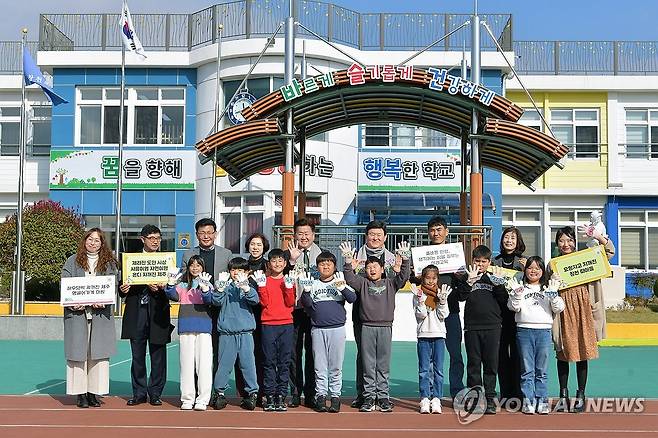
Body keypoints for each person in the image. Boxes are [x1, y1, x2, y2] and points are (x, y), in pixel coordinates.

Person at [341, 240, 411, 413]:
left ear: (382, 269)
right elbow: (349, 277)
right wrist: (348, 261)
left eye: (375, 266)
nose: (372, 269)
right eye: (369, 267)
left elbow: (403, 277)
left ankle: (383, 397)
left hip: (385, 327)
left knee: (383, 364)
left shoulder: (390, 283)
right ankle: (369, 397)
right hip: (366, 327)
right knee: (368, 363)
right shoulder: (362, 283)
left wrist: (406, 259)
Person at [551, 226, 614, 413]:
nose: (566, 244)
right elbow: (543, 282)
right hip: (563, 311)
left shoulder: (587, 258)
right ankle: (563, 394)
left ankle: (581, 394)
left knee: (582, 352)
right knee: (562, 352)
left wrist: (597, 236)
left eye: (569, 240)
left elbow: (609, 251)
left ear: (575, 242)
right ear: (557, 243)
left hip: (584, 310)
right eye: (562, 240)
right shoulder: (553, 264)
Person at [61, 228, 118, 408]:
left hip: (100, 315)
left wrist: (105, 300)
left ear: (102, 244)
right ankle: (80, 394)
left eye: (97, 240)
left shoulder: (109, 263)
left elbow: (113, 285)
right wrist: (72, 303)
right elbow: (65, 286)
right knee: (78, 354)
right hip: (78, 314)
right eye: (90, 239)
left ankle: (94, 392)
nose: (93, 243)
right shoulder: (72, 261)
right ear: (84, 241)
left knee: (99, 355)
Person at [409, 216, 465, 399]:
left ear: (446, 232)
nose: (436, 233)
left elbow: (464, 285)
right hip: (429, 313)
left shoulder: (454, 253)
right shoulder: (422, 255)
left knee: (455, 354)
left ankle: (456, 390)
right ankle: (431, 393)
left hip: (451, 310)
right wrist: (414, 275)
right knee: (430, 358)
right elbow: (413, 280)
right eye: (433, 230)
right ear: (428, 233)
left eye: (439, 229)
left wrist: (460, 276)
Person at [119, 224, 173, 407]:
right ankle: (139, 393)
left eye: (158, 238)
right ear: (143, 240)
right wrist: (123, 289)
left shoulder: (167, 260)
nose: (156, 241)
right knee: (137, 356)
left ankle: (156, 392)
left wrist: (162, 288)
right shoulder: (131, 260)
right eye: (151, 238)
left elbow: (173, 289)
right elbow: (122, 287)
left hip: (158, 312)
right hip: (137, 313)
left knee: (158, 356)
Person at [299, 251, 357, 413]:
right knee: (320, 366)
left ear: (334, 266)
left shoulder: (339, 281)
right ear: (317, 267)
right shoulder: (314, 283)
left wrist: (343, 287)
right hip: (318, 329)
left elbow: (352, 299)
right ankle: (321, 397)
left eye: (329, 263)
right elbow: (307, 305)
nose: (325, 266)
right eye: (322, 263)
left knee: (336, 366)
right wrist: (306, 291)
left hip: (337, 329)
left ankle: (336, 397)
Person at [507, 256, 565, 415]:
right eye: (530, 268)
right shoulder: (520, 287)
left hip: (544, 332)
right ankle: (528, 401)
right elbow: (513, 307)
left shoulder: (548, 288)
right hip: (524, 331)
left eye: (537, 268)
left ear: (542, 272)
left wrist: (553, 296)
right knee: (527, 369)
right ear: (525, 271)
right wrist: (516, 294)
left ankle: (542, 401)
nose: (533, 271)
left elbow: (559, 308)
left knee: (542, 370)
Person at [349, 220, 397, 409]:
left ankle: (381, 395)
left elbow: (397, 281)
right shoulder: (355, 256)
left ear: (385, 237)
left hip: (381, 314)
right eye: (371, 234)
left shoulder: (392, 258)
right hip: (360, 312)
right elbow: (348, 277)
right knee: (364, 355)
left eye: (379, 235)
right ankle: (363, 395)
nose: (375, 238)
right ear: (366, 236)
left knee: (381, 358)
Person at [456, 245, 508, 415]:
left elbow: (503, 302)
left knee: (491, 364)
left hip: (493, 327)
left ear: (489, 262)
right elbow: (460, 297)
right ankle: (475, 398)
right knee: (473, 364)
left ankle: (491, 398)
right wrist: (468, 282)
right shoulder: (466, 277)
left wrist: (500, 286)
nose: (480, 264)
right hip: (472, 327)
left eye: (484, 261)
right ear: (472, 261)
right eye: (477, 261)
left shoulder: (494, 279)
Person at [182, 218, 233, 388]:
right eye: (202, 233)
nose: (206, 236)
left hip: (218, 308)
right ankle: (197, 389)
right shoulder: (188, 254)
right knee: (197, 353)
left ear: (215, 234)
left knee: (218, 351)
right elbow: (183, 279)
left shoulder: (226, 254)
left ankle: (217, 389)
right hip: (197, 310)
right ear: (197, 235)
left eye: (209, 232)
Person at [208, 257, 260, 411]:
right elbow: (216, 301)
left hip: (245, 333)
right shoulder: (224, 285)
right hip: (227, 333)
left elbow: (255, 300)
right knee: (224, 365)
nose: (236, 272)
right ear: (229, 271)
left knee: (248, 365)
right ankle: (219, 393)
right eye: (233, 269)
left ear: (246, 272)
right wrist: (220, 288)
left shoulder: (249, 287)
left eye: (240, 270)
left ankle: (252, 393)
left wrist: (246, 288)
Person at [164, 256, 214, 411]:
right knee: (186, 364)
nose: (195, 267)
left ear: (203, 267)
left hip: (204, 328)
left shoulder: (207, 282)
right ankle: (187, 398)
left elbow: (210, 300)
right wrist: (170, 283)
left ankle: (203, 399)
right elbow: (172, 296)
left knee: (204, 365)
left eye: (198, 265)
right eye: (192, 265)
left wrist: (205, 289)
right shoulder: (183, 284)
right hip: (186, 327)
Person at [285, 218, 322, 408]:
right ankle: (294, 391)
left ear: (313, 235)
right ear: (295, 235)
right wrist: (291, 260)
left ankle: (311, 393)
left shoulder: (322, 255)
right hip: (293, 309)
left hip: (314, 310)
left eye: (307, 233)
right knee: (293, 352)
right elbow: (281, 278)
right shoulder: (287, 254)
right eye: (300, 233)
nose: (304, 237)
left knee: (313, 352)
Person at [256, 248, 296, 411]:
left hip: (286, 324)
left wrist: (288, 287)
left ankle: (281, 395)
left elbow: (290, 303)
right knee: (269, 361)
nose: (277, 264)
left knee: (284, 361)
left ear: (285, 263)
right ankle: (270, 395)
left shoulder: (288, 279)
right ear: (269, 264)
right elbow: (264, 303)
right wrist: (261, 286)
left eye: (280, 261)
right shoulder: (264, 280)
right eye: (274, 261)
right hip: (268, 324)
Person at [234, 232, 269, 404]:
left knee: (260, 355)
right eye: (253, 244)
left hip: (263, 316)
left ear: (264, 248)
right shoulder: (241, 265)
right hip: (243, 316)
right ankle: (245, 393)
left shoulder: (269, 266)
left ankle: (261, 392)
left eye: (259, 245)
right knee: (242, 356)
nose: (255, 248)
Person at [412, 265, 451, 414]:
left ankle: (437, 399)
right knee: (424, 369)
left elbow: (443, 315)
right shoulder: (417, 294)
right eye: (427, 278)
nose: (430, 281)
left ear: (437, 279)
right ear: (423, 278)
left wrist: (442, 301)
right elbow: (419, 315)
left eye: (433, 278)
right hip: (423, 335)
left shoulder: (441, 293)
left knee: (438, 370)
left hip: (439, 335)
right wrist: (421, 300)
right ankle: (424, 398)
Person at [492, 226, 526, 402]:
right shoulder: (494, 261)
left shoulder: (525, 262)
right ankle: (505, 392)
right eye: (506, 237)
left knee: (519, 355)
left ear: (518, 241)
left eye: (513, 237)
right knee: (501, 355)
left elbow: (534, 283)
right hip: (499, 315)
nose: (509, 240)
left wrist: (527, 270)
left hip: (519, 316)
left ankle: (519, 393)